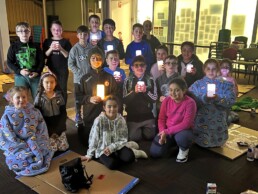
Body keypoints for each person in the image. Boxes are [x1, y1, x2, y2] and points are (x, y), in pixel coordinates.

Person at [81, 95, 147, 170]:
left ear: (118, 107)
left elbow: (123, 138)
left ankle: (135, 152)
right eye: (109, 106)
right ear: (104, 107)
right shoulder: (99, 120)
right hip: (103, 149)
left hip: (117, 146)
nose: (112, 109)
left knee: (130, 158)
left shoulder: (121, 120)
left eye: (115, 106)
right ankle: (129, 146)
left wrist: (112, 148)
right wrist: (89, 155)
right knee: (112, 165)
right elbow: (94, 138)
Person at [0, 86, 54, 176]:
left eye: (24, 97)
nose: (21, 100)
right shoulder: (7, 115)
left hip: (34, 139)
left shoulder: (34, 111)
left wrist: (35, 139)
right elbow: (7, 134)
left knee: (44, 149)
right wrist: (22, 144)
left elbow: (41, 127)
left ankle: (33, 157)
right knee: (18, 159)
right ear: (12, 100)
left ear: (27, 98)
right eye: (18, 97)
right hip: (17, 143)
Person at [189, 59, 236, 148]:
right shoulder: (197, 85)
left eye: (214, 69)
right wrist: (204, 98)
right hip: (201, 119)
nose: (211, 71)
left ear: (218, 69)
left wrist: (218, 98)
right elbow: (190, 100)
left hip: (218, 119)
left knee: (217, 137)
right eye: (208, 69)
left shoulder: (225, 85)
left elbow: (231, 100)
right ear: (204, 70)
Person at [77, 47, 118, 146]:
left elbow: (115, 93)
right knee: (87, 142)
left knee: (106, 142)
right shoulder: (85, 78)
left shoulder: (109, 77)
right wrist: (89, 99)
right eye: (93, 58)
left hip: (106, 114)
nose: (96, 60)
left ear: (103, 60)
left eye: (99, 58)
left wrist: (107, 98)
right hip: (90, 115)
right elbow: (78, 96)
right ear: (89, 61)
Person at [150, 78, 197, 163]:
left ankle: (184, 148)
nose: (173, 93)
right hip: (168, 131)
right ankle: (174, 145)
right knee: (155, 152)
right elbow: (161, 119)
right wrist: (162, 132)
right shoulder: (166, 100)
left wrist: (166, 132)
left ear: (184, 90)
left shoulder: (190, 103)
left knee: (183, 138)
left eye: (177, 90)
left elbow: (186, 123)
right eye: (171, 90)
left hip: (183, 131)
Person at [123, 55, 157, 141]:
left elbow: (154, 99)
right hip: (133, 115)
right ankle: (137, 130)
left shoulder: (151, 80)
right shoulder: (128, 80)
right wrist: (134, 92)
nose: (139, 67)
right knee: (134, 138)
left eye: (142, 65)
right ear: (132, 68)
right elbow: (124, 100)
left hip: (147, 114)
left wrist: (146, 91)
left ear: (145, 67)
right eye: (136, 65)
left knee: (150, 136)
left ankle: (144, 129)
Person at [7, 22, 44, 99]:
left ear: (30, 32)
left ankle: (37, 111)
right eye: (21, 31)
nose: (24, 33)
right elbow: (9, 62)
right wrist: (19, 71)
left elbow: (41, 61)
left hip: (35, 76)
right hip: (20, 76)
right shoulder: (13, 47)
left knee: (38, 98)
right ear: (17, 33)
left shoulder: (36, 46)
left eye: (26, 31)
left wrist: (37, 72)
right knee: (21, 98)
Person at [34, 72, 69, 152]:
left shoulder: (59, 96)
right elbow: (38, 115)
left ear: (56, 83)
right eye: (46, 82)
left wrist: (61, 125)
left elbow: (63, 112)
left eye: (52, 82)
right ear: (42, 83)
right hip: (46, 125)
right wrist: (46, 129)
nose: (49, 85)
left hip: (58, 122)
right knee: (52, 150)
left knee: (63, 148)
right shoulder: (39, 98)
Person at [68, 25, 93, 127]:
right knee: (78, 98)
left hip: (90, 79)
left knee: (89, 96)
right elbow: (70, 64)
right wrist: (78, 72)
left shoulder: (92, 48)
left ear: (88, 35)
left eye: (85, 34)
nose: (83, 36)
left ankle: (89, 114)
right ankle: (78, 114)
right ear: (77, 35)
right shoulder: (74, 49)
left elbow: (96, 60)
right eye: (81, 34)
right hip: (78, 79)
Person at [43, 20, 72, 104]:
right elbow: (45, 55)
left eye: (58, 29)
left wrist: (61, 49)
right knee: (51, 88)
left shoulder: (66, 42)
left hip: (63, 69)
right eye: (54, 29)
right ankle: (53, 108)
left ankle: (63, 110)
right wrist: (51, 48)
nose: (56, 31)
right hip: (51, 69)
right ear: (51, 30)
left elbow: (69, 56)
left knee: (62, 89)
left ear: (62, 30)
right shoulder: (47, 41)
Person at [218, 58, 239, 124]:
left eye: (227, 67)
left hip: (227, 101)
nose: (225, 68)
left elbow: (235, 92)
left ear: (230, 69)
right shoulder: (217, 78)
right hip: (218, 101)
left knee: (226, 118)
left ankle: (230, 117)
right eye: (223, 67)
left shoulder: (232, 80)